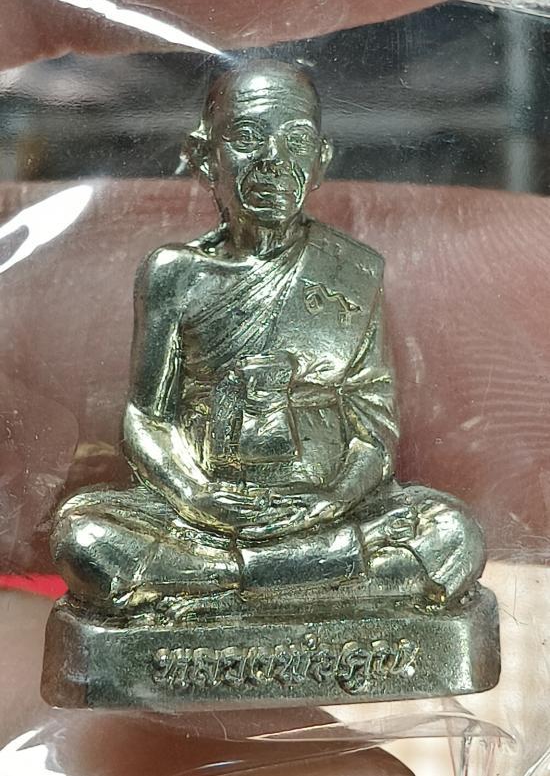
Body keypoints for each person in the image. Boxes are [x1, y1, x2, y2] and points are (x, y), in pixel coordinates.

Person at [50, 60, 485, 612]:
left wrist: (331, 500)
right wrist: (197, 495)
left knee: (453, 534)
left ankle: (222, 583)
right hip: (207, 513)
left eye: (296, 141)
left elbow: (374, 422)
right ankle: (311, 581)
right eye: (247, 138)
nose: (272, 161)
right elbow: (146, 418)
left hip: (326, 506)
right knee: (83, 537)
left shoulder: (353, 270)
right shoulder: (174, 274)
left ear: (321, 159)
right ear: (203, 157)